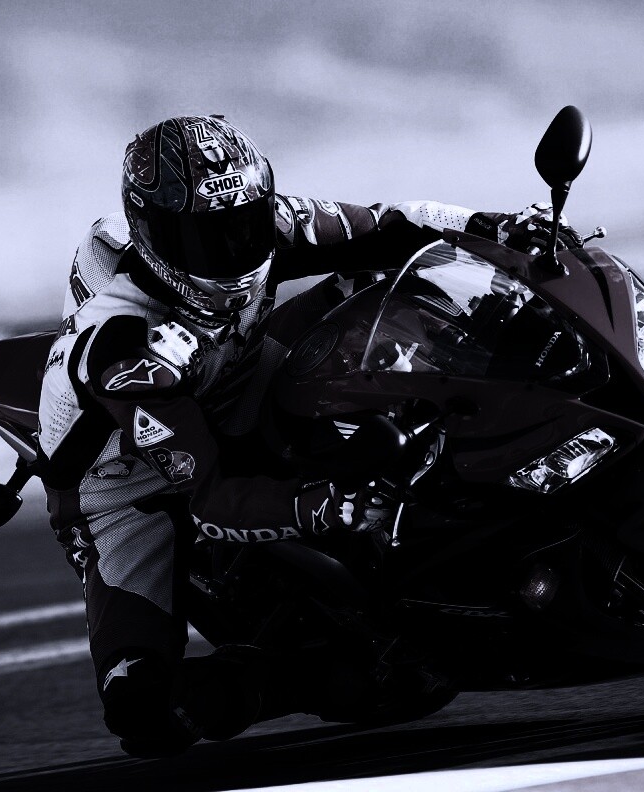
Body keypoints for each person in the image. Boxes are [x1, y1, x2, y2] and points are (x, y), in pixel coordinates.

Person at [36, 114, 582, 757]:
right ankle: (276, 678)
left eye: (244, 224)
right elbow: (210, 499)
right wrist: (324, 505)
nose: (235, 250)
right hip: (130, 481)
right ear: (153, 236)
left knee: (379, 283)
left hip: (239, 377)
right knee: (144, 712)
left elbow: (387, 223)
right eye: (206, 238)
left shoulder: (266, 225)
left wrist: (492, 226)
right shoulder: (123, 348)